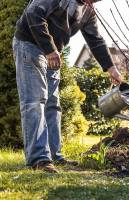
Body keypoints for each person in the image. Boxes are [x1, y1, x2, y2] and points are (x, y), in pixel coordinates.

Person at [12, 0, 122, 173]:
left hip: (52, 52)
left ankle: (55, 156)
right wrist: (49, 49)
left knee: (52, 104)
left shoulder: (87, 10)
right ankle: (39, 159)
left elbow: (96, 40)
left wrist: (111, 68)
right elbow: (33, 14)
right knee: (35, 101)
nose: (95, 2)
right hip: (30, 44)